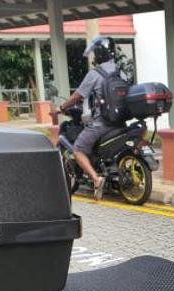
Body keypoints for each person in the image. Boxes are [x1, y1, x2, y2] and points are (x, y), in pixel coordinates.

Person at [58, 36, 122, 200]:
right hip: (120, 121)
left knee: (78, 148)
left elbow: (77, 97)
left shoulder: (95, 74)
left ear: (99, 54)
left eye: (94, 53)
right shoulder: (120, 71)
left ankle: (96, 178)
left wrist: (62, 108)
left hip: (102, 122)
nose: (93, 57)